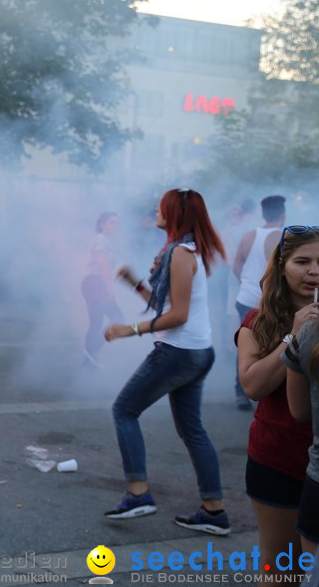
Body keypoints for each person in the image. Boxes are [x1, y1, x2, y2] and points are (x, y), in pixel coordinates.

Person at [104, 188, 230, 535]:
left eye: (161, 207)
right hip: (197, 353)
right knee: (192, 430)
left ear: (173, 215)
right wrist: (134, 284)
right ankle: (214, 511)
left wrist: (128, 329)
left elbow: (178, 315)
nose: (156, 211)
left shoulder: (179, 254)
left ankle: (138, 494)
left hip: (178, 353)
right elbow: (167, 305)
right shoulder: (189, 251)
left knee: (124, 411)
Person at [237, 226, 318, 578]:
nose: (314, 271)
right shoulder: (258, 322)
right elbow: (252, 385)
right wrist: (294, 336)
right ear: (282, 266)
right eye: (303, 262)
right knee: (283, 571)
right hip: (278, 460)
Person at [281, 240, 319, 583]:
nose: (314, 272)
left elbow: (300, 411)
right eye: (303, 261)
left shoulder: (309, 332)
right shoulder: (305, 330)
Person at [234, 196, 288, 409]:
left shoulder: (249, 235)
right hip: (267, 302)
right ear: (283, 215)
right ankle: (267, 392)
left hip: (245, 299)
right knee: (273, 345)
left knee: (245, 347)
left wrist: (247, 284)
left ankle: (240, 393)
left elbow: (236, 265)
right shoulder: (282, 237)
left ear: (263, 214)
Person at [81, 212, 125, 368]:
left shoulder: (106, 241)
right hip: (95, 284)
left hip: (95, 284)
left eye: (117, 223)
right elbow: (102, 265)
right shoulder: (101, 240)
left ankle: (90, 358)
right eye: (112, 222)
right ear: (102, 224)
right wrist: (109, 287)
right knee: (116, 319)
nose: (115, 226)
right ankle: (91, 354)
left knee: (98, 322)